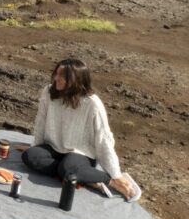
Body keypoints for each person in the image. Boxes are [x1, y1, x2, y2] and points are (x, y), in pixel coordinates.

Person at [22, 58, 141, 201]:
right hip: (54, 147)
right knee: (30, 156)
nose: (56, 78)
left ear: (75, 80)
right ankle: (84, 178)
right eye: (56, 73)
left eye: (62, 76)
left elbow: (103, 138)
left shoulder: (92, 103)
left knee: (68, 169)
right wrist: (37, 146)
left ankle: (107, 180)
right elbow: (40, 120)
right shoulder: (48, 91)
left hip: (81, 152)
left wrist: (116, 175)